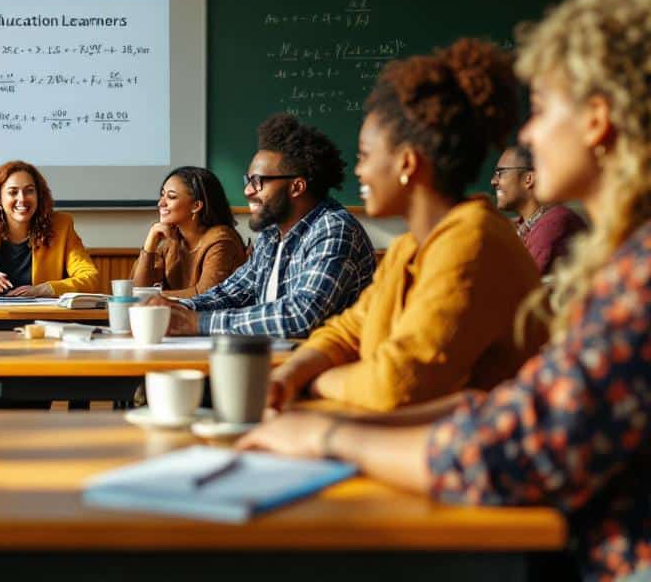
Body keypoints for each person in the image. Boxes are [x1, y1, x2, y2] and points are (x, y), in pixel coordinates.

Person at [238, 0, 651, 582]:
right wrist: (304, 388)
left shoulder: (631, 271)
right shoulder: (620, 259)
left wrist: (328, 434)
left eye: (541, 111)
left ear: (596, 119)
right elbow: (499, 406)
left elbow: (509, 447)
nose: (528, 138)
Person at [265, 39, 543, 412]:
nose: (359, 170)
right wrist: (291, 372)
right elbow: (346, 330)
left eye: (365, 156)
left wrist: (315, 381)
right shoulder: (408, 247)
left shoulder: (472, 242)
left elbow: (394, 385)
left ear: (407, 164)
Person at [155, 114, 376, 337]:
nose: (248, 191)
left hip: (326, 367)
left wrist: (198, 323)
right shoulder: (272, 234)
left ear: (296, 187)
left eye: (257, 182)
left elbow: (300, 316)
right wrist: (178, 308)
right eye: (247, 181)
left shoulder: (333, 231)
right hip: (278, 359)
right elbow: (234, 292)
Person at [0, 161, 101, 297]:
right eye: (13, 192)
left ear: (39, 196)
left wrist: (45, 289)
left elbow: (90, 278)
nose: (22, 199)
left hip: (43, 321)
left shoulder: (61, 225)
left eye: (29, 191)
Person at [131, 166, 246, 297]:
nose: (160, 203)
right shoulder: (170, 239)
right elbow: (137, 291)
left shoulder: (222, 240)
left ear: (196, 206)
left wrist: (155, 296)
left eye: (171, 197)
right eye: (162, 195)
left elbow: (207, 295)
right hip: (177, 316)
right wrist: (150, 245)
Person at [491, 144, 588, 275]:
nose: (493, 181)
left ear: (528, 179)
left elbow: (521, 288)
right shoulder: (519, 226)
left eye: (500, 173)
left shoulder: (554, 224)